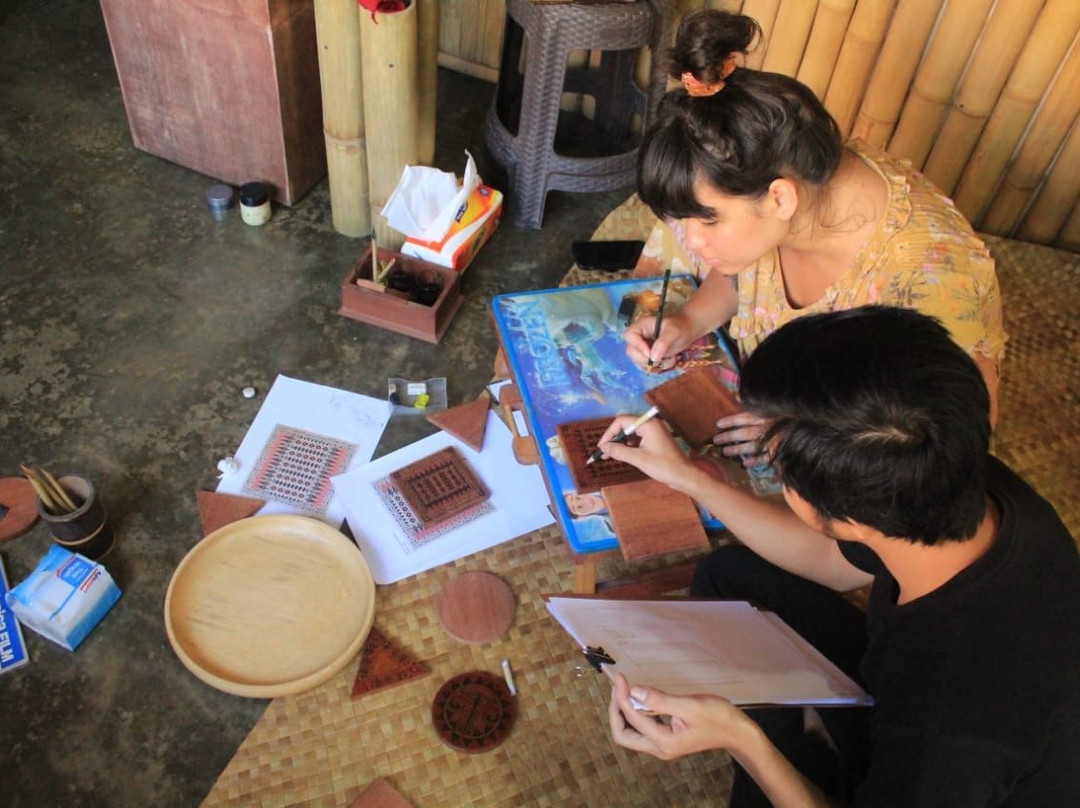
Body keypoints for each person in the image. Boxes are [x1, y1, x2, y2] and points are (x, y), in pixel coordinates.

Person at [600, 306, 1080, 806]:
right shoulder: (951, 462)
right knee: (729, 577)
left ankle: (803, 740)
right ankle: (810, 731)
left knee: (761, 761)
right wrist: (688, 477)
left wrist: (742, 739)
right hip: (899, 682)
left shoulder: (951, 735)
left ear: (846, 517)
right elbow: (837, 563)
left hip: (932, 752)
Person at [625, 9, 1006, 462]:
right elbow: (744, 275)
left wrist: (800, 435)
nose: (692, 243)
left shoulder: (926, 285)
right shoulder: (785, 183)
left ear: (780, 198)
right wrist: (688, 322)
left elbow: (952, 440)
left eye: (707, 222)